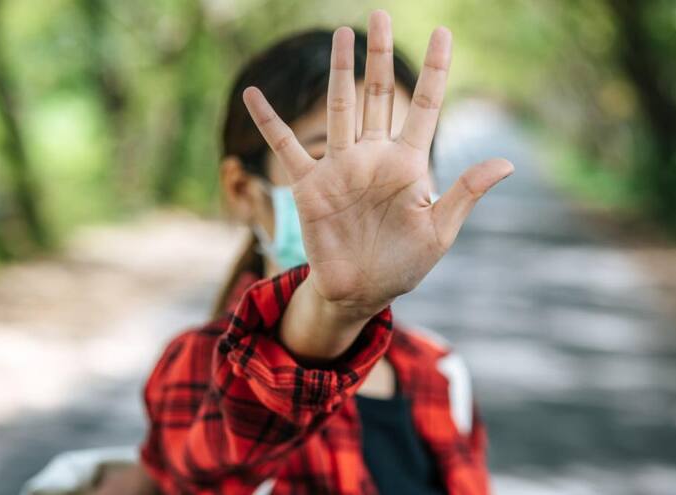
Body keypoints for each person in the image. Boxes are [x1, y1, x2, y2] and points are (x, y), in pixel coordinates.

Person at [96, 10, 513, 495]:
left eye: (398, 160)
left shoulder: (440, 372)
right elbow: (223, 449)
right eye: (325, 159)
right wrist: (337, 309)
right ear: (242, 190)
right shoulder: (197, 373)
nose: (368, 190)